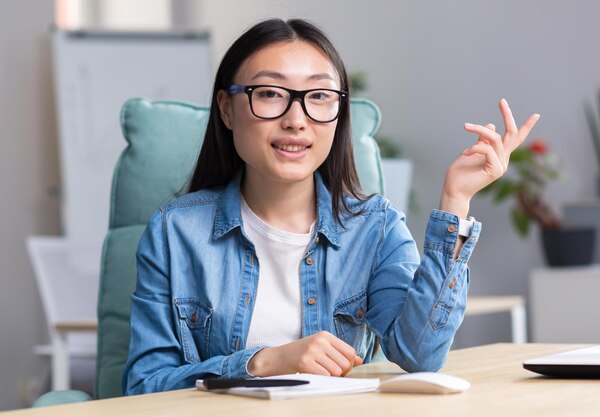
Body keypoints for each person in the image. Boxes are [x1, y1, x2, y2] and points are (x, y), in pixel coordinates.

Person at [122, 18, 540, 395]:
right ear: (227, 109)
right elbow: (144, 385)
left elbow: (420, 355)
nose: (297, 119)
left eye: (319, 96)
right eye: (269, 93)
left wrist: (457, 200)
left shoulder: (374, 227)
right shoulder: (175, 231)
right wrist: (261, 363)